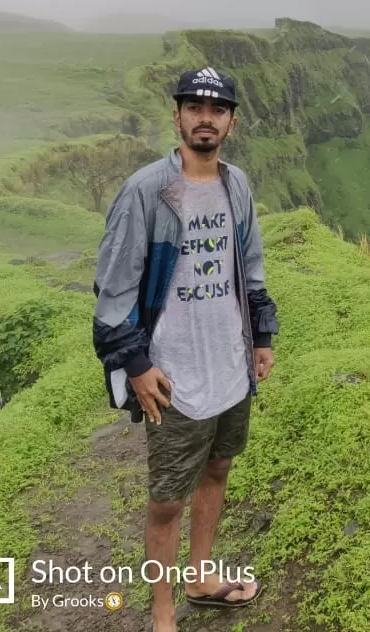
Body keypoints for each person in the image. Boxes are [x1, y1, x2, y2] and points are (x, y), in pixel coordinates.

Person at [91, 66, 279, 631]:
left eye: (216, 109)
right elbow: (113, 287)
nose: (205, 117)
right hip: (172, 374)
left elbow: (249, 267)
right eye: (193, 107)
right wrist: (137, 363)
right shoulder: (148, 190)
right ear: (177, 117)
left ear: (231, 123)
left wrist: (262, 336)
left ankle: (200, 579)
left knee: (218, 469)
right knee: (167, 498)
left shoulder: (235, 185)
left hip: (230, 365)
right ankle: (163, 614)